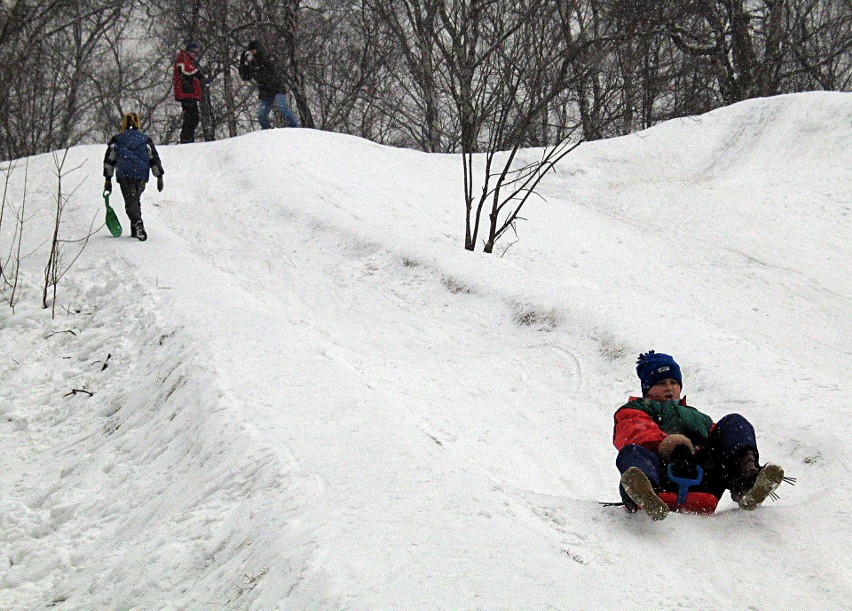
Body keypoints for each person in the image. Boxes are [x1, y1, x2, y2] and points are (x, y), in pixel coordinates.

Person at [613, 351, 786, 520]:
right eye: (661, 383)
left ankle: (747, 484)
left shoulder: (698, 417)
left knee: (734, 423)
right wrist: (672, 447)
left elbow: (723, 443)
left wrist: (695, 453)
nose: (669, 388)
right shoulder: (635, 409)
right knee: (632, 452)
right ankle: (644, 492)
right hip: (661, 475)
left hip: (700, 479)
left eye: (674, 382)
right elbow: (636, 431)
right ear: (647, 388)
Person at [103, 112, 164, 242]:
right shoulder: (145, 140)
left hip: (125, 174)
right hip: (141, 174)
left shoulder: (118, 140)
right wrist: (159, 176)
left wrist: (108, 179)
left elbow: (110, 160)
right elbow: (153, 158)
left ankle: (137, 223)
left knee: (130, 202)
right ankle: (135, 231)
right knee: (135, 200)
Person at [238, 40, 300, 129]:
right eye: (251, 51)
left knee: (282, 107)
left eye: (253, 51)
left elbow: (273, 67)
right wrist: (242, 64)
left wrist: (259, 62)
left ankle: (295, 127)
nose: (252, 53)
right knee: (261, 115)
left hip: (277, 87)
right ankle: (267, 131)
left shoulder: (268, 56)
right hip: (265, 91)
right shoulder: (253, 63)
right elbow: (246, 77)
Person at [173, 41, 202, 143]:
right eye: (194, 52)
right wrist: (197, 72)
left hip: (189, 93)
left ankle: (188, 140)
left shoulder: (189, 60)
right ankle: (186, 140)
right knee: (191, 118)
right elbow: (186, 70)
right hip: (186, 93)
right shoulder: (183, 57)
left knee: (193, 118)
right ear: (189, 51)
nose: (195, 54)